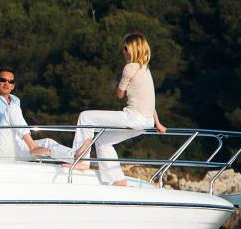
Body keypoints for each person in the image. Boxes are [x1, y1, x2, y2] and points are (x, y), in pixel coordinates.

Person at [70, 32, 168, 186]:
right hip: (146, 122)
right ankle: (117, 179)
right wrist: (158, 124)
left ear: (133, 50)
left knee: (85, 116)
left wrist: (124, 83)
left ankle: (81, 162)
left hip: (133, 117)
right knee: (102, 142)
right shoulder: (146, 69)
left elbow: (120, 94)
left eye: (125, 48)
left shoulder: (130, 68)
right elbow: (149, 101)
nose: (123, 51)